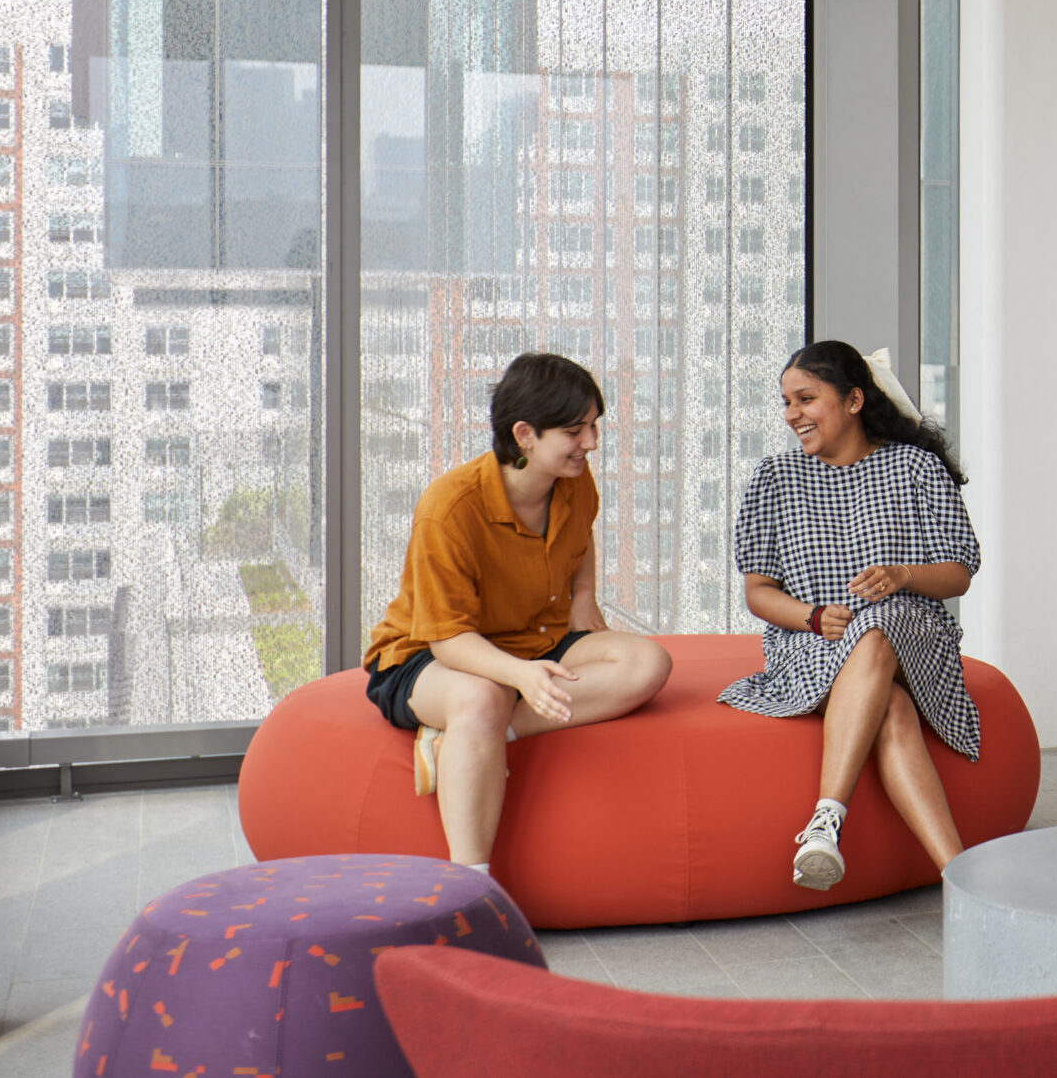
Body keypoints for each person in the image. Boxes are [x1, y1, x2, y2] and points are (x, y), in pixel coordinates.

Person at [363, 352, 674, 874]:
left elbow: (583, 534)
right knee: (482, 695)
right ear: (525, 433)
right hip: (427, 656)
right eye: (576, 431)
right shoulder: (449, 507)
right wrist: (519, 677)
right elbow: (447, 639)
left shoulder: (574, 481)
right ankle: (473, 886)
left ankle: (474, 735)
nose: (592, 444)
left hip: (536, 636)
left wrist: (583, 599)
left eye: (595, 426)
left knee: (649, 663)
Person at [720, 341, 985, 889]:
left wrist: (902, 576)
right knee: (889, 705)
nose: (792, 414)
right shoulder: (775, 478)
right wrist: (812, 617)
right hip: (812, 641)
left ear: (855, 400)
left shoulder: (915, 467)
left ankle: (826, 819)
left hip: (912, 634)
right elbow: (759, 593)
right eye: (787, 402)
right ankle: (961, 879)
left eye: (807, 398)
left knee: (877, 627)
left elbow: (959, 570)